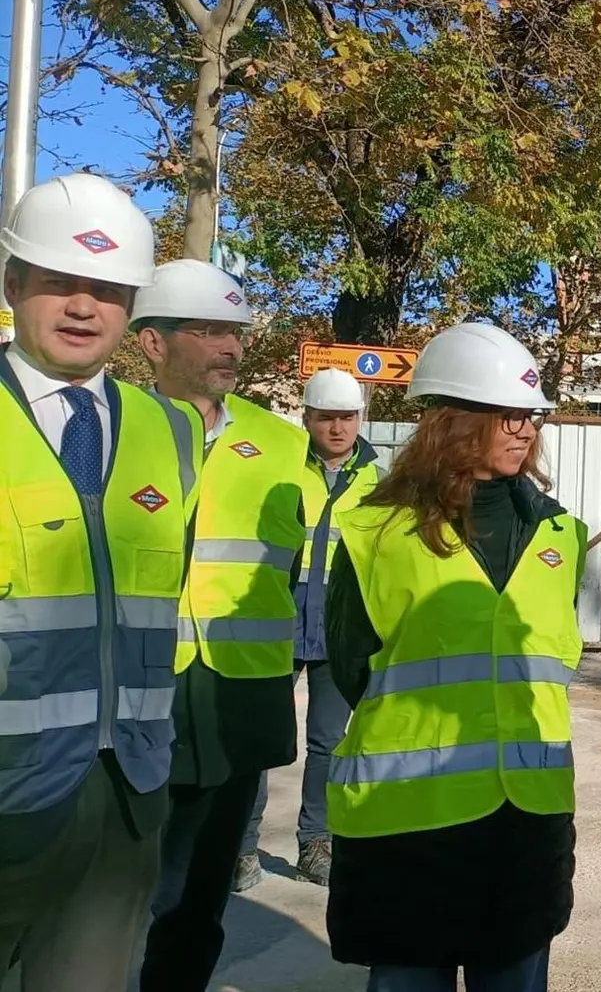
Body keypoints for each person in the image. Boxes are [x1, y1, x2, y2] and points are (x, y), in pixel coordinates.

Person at [322, 321, 582, 992]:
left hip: (523, 830)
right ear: (449, 420)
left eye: (530, 415)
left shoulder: (560, 534)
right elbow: (352, 666)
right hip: (411, 830)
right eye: (506, 414)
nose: (523, 429)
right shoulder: (374, 530)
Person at [0, 173, 202, 990]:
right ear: (13, 285)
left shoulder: (172, 429)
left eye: (109, 290)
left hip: (127, 792)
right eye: (60, 283)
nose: (85, 306)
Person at [132, 260, 305, 991]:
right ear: (151, 344)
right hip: (134, 691)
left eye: (234, 330)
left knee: (199, 895)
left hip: (237, 699)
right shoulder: (113, 426)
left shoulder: (282, 442)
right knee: (115, 889)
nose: (229, 346)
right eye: (206, 330)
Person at [235, 367, 379, 890]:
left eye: (347, 417)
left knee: (328, 742)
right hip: (276, 623)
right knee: (262, 739)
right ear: (307, 417)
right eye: (326, 417)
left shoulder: (377, 481)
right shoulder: (281, 469)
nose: (337, 427)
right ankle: (242, 847)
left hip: (338, 630)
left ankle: (315, 843)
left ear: (360, 418)